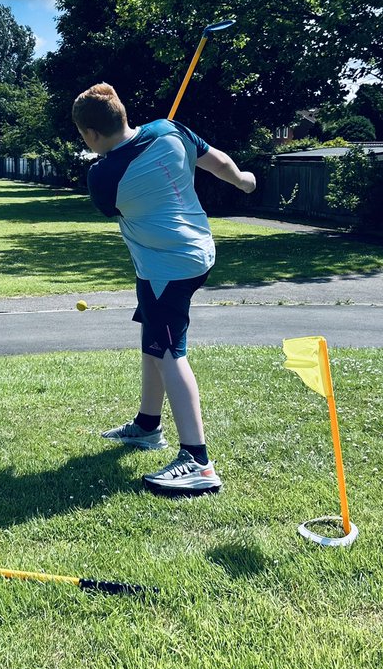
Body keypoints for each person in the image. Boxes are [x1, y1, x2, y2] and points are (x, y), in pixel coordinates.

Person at [72, 83, 256, 495]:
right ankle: (147, 426)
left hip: (167, 268)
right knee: (151, 338)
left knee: (170, 352)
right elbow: (220, 162)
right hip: (194, 252)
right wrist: (244, 181)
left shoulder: (103, 177)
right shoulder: (169, 130)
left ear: (90, 134)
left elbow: (115, 201)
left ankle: (198, 460)